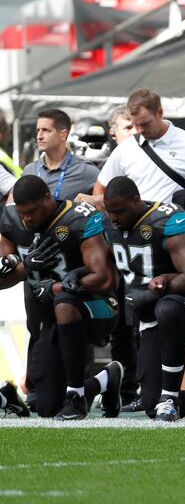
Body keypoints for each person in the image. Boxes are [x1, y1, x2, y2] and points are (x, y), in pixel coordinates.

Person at [101, 177, 185, 422]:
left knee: (166, 308)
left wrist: (160, 285)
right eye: (110, 211)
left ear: (136, 200)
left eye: (119, 211)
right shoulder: (108, 224)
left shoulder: (165, 220)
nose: (114, 218)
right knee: (153, 408)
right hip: (151, 320)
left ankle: (169, 398)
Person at [0, 176, 121, 420]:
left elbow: (106, 279)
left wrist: (56, 288)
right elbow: (3, 280)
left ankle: (76, 399)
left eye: (32, 212)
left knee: (64, 302)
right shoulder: (10, 221)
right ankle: (105, 380)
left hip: (98, 307)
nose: (28, 219)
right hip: (53, 321)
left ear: (48, 197)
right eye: (23, 213)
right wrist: (24, 267)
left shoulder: (79, 218)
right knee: (46, 407)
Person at [84, 90, 185, 209]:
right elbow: (101, 187)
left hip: (176, 232)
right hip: (132, 232)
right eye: (135, 124)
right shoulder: (126, 147)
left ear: (160, 113)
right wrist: (108, 223)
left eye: (145, 124)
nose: (139, 130)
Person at [24, 109, 100, 205]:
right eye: (38, 130)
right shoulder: (30, 170)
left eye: (46, 130)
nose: (39, 136)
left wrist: (96, 200)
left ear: (63, 134)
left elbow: (110, 200)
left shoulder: (86, 170)